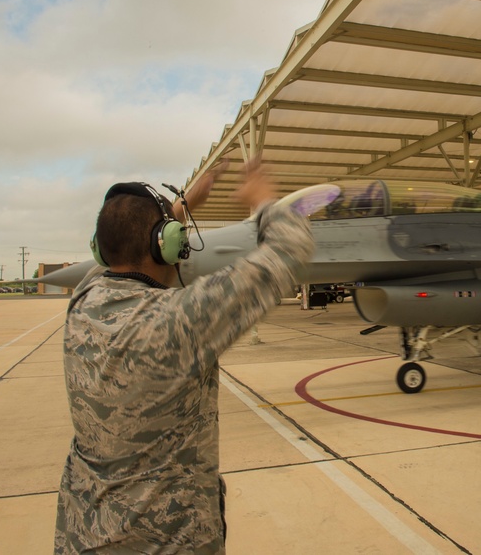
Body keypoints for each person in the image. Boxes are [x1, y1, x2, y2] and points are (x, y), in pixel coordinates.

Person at [54, 161, 314, 554]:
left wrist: (177, 211)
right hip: (167, 541)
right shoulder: (177, 321)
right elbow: (289, 248)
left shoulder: (82, 304)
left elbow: (116, 261)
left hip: (85, 535)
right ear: (167, 244)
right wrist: (263, 199)